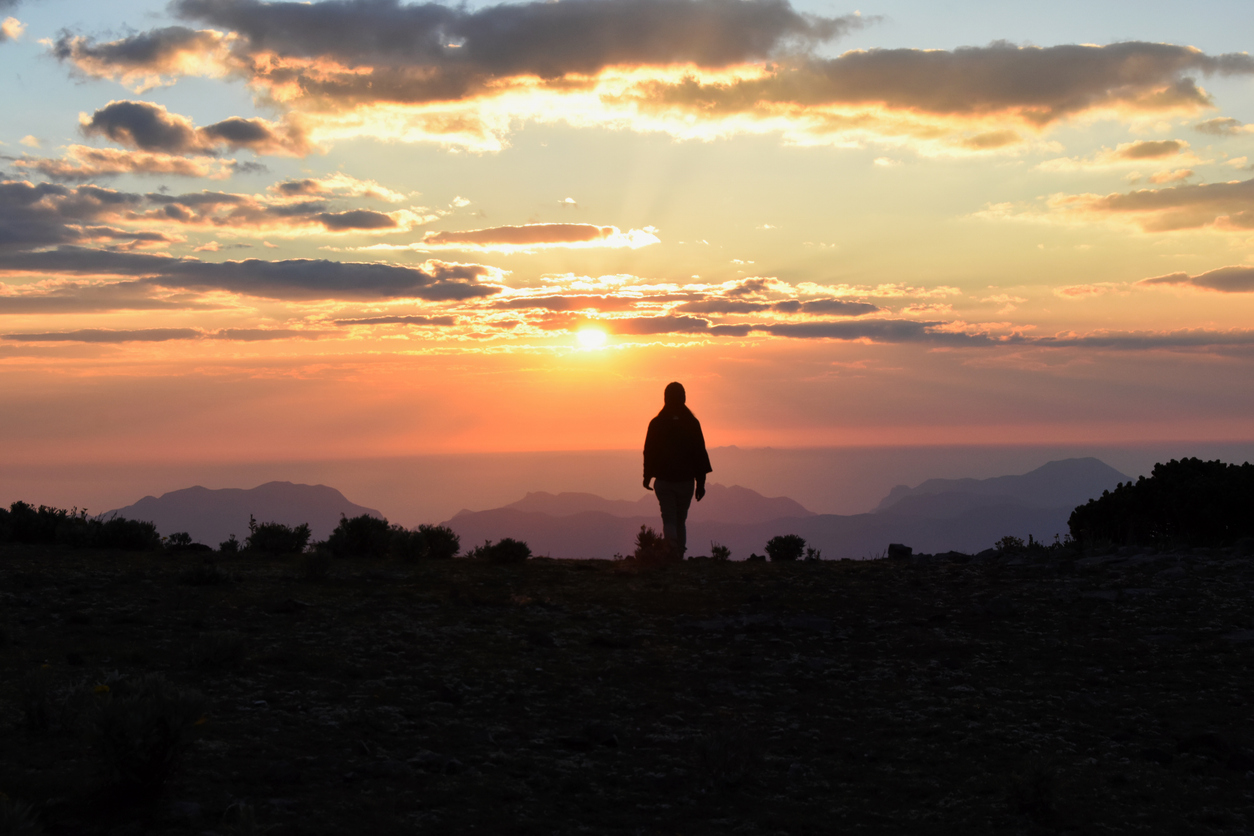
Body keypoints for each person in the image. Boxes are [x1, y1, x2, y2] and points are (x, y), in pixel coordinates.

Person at [642, 381, 713, 557]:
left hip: (664, 481)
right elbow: (700, 454)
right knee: (680, 520)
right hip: (686, 482)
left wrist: (647, 476)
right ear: (684, 398)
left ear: (665, 398)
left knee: (669, 518)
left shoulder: (656, 423)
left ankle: (672, 552)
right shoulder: (692, 423)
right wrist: (701, 483)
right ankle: (678, 554)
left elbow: (649, 451)